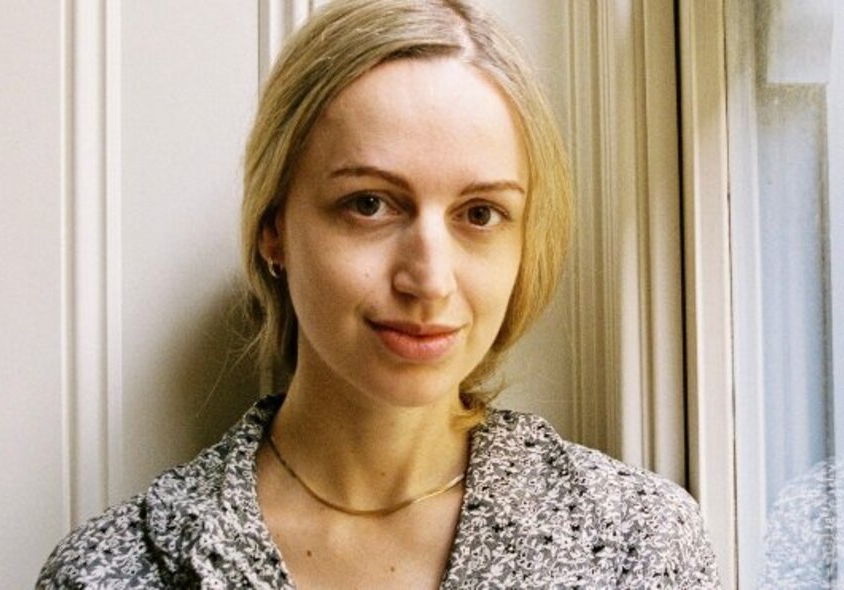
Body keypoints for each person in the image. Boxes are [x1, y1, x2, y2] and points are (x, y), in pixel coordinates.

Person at [37, 0, 721, 587]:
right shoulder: (115, 569)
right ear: (274, 228)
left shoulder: (638, 545)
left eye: (479, 214)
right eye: (369, 204)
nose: (428, 278)